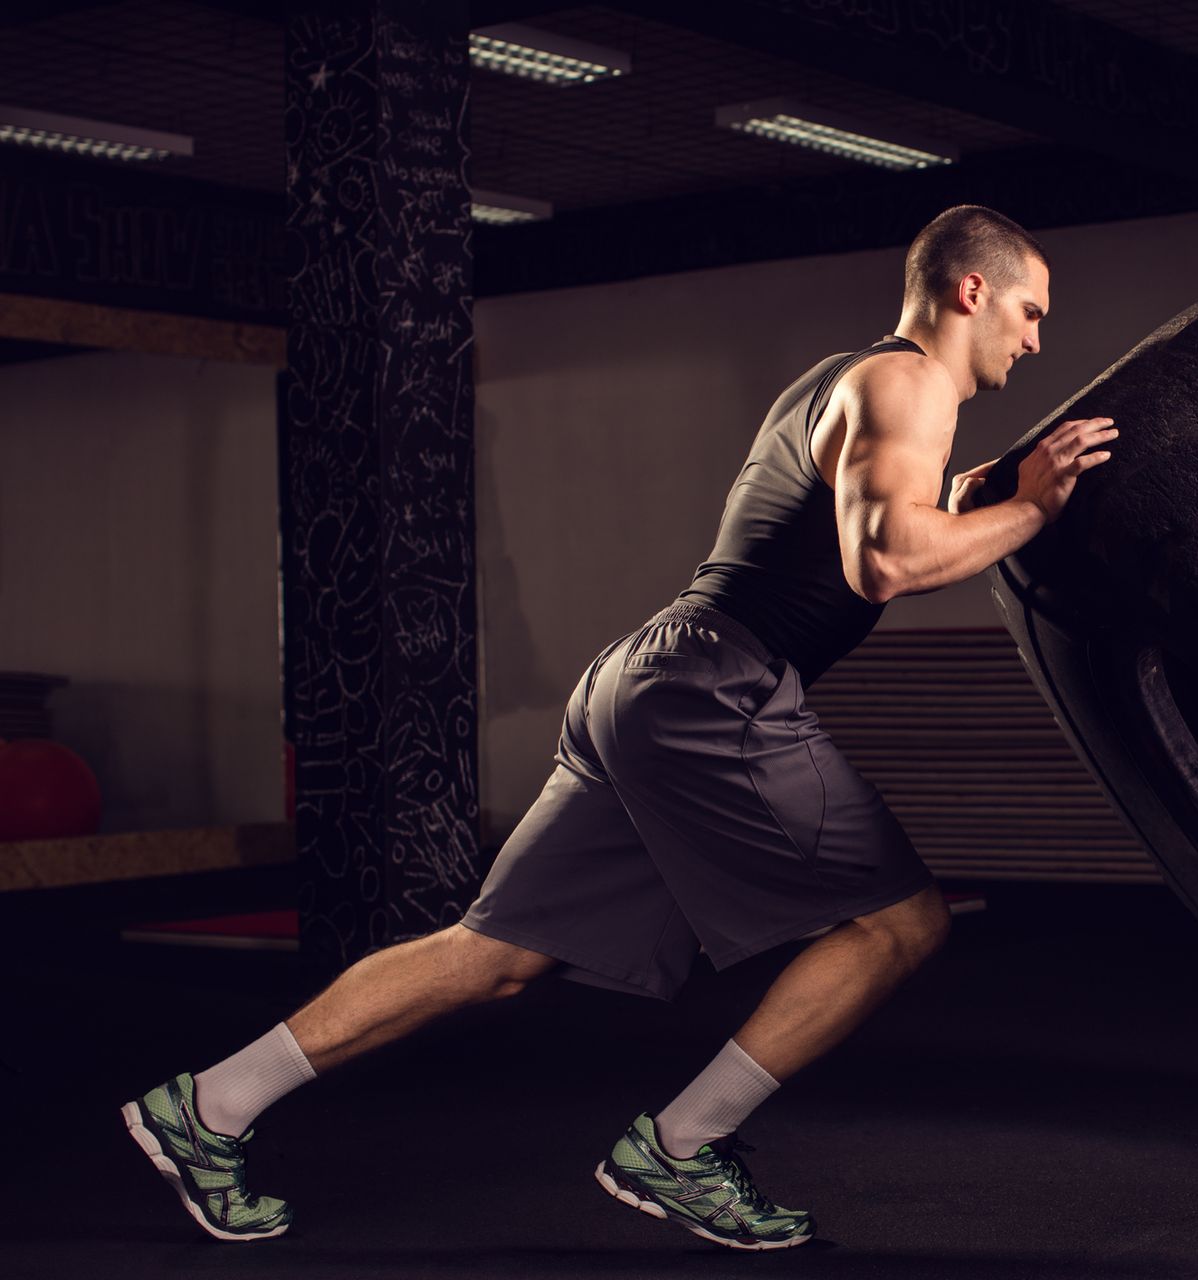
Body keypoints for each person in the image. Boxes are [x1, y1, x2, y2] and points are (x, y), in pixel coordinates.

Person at [120, 204, 1121, 1251]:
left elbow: (895, 522)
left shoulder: (853, 379)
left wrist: (1001, 488)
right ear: (972, 290)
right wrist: (1037, 510)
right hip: (712, 688)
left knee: (496, 951)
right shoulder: (908, 382)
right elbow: (889, 560)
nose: (1036, 337)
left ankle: (209, 1104)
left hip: (647, 676)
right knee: (899, 923)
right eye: (1031, 310)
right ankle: (681, 1146)